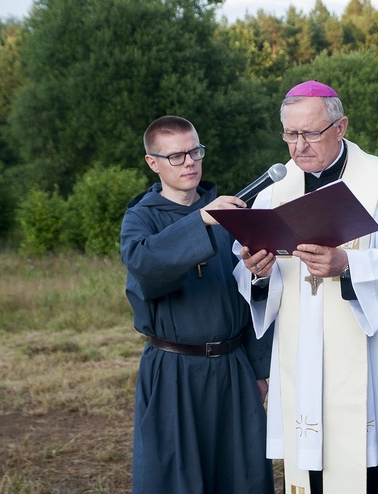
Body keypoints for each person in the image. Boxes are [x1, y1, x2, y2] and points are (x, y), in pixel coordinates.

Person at [233, 80, 378, 494]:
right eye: (290, 134)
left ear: (341, 126)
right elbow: (252, 279)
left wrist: (348, 264)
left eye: (311, 133)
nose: (298, 146)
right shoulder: (273, 191)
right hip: (303, 364)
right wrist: (258, 271)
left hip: (373, 370)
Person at [120, 115, 274, 493]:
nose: (189, 162)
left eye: (194, 151)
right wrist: (201, 222)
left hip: (233, 368)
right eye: (176, 156)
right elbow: (145, 267)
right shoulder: (140, 219)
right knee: (176, 479)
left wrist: (259, 367)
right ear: (152, 162)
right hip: (174, 371)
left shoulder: (232, 213)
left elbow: (248, 297)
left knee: (242, 475)